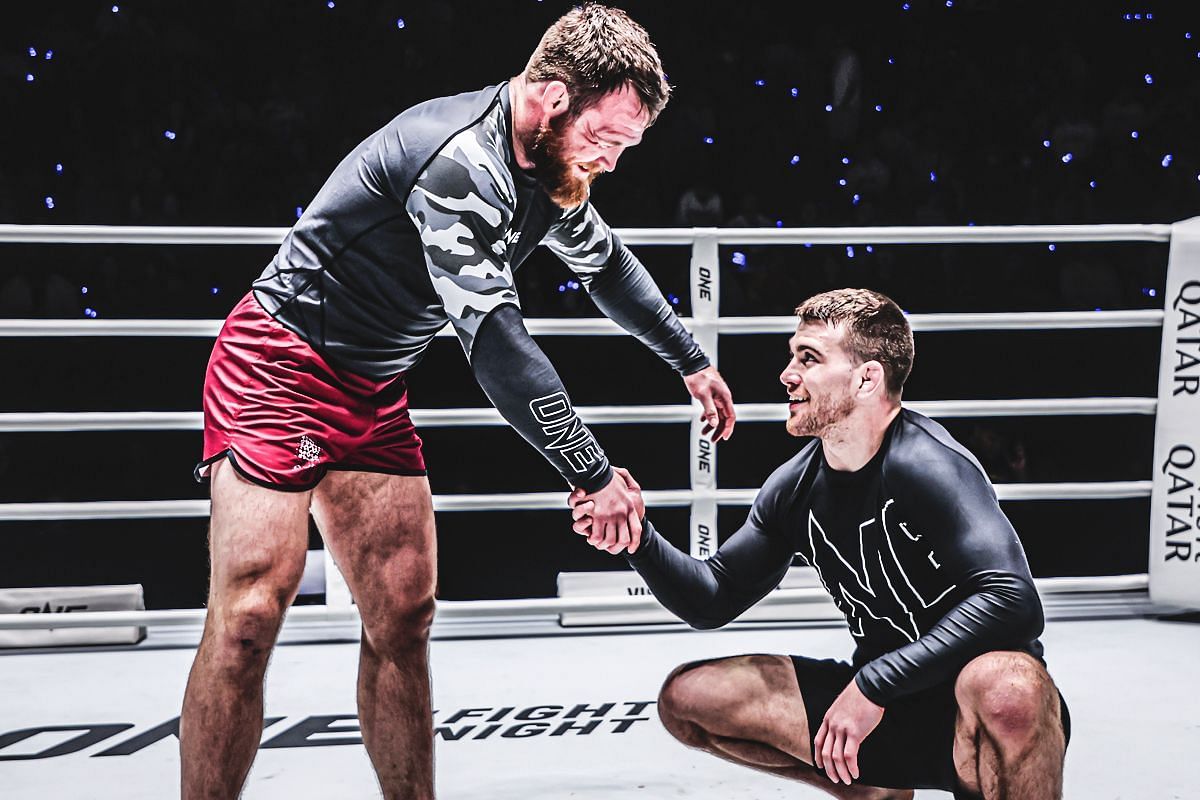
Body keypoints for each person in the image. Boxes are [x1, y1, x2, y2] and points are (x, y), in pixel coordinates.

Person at [180, 5, 735, 798]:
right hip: (280, 366)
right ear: (549, 98)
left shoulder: (553, 167)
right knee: (247, 620)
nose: (609, 162)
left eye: (623, 147)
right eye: (604, 139)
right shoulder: (458, 162)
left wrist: (690, 360)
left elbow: (608, 268)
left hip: (371, 383)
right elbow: (500, 346)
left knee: (404, 617)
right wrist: (591, 470)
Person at [571, 288, 1069, 800]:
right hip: (879, 711)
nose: (787, 375)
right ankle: (869, 786)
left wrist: (876, 683)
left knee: (1008, 685)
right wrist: (638, 540)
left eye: (808, 359)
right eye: (792, 357)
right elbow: (713, 595)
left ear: (867, 377)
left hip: (973, 715)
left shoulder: (930, 466)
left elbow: (1012, 600)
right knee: (688, 697)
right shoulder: (794, 488)